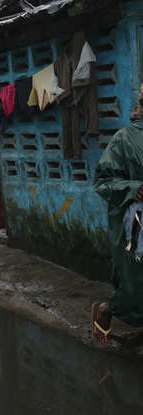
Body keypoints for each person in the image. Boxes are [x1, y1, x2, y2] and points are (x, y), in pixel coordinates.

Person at [92, 87, 143, 341]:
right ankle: (105, 310)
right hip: (135, 226)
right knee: (135, 286)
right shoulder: (124, 139)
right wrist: (134, 188)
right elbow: (102, 180)